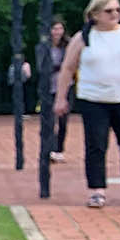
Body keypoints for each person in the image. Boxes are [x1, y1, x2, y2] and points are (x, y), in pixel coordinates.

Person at [56, 0, 120, 206]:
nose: (115, 14)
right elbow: (67, 68)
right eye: (109, 11)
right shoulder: (83, 38)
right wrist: (61, 98)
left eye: (118, 10)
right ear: (95, 14)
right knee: (96, 145)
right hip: (94, 99)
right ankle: (97, 190)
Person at [39, 18, 69, 161]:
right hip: (49, 88)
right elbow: (42, 67)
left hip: (65, 87)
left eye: (60, 29)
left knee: (63, 120)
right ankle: (49, 148)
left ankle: (59, 149)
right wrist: (60, 67)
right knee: (49, 120)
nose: (57, 32)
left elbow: (72, 64)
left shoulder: (68, 45)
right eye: (54, 29)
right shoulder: (43, 47)